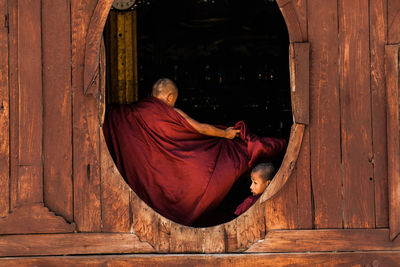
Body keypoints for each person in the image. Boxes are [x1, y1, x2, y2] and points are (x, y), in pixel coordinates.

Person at [103, 78, 286, 226]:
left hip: (150, 175)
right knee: (234, 152)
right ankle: (280, 145)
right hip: (186, 174)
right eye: (174, 100)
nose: (173, 104)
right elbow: (201, 129)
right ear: (169, 96)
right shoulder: (171, 112)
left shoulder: (129, 113)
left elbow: (110, 118)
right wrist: (225, 133)